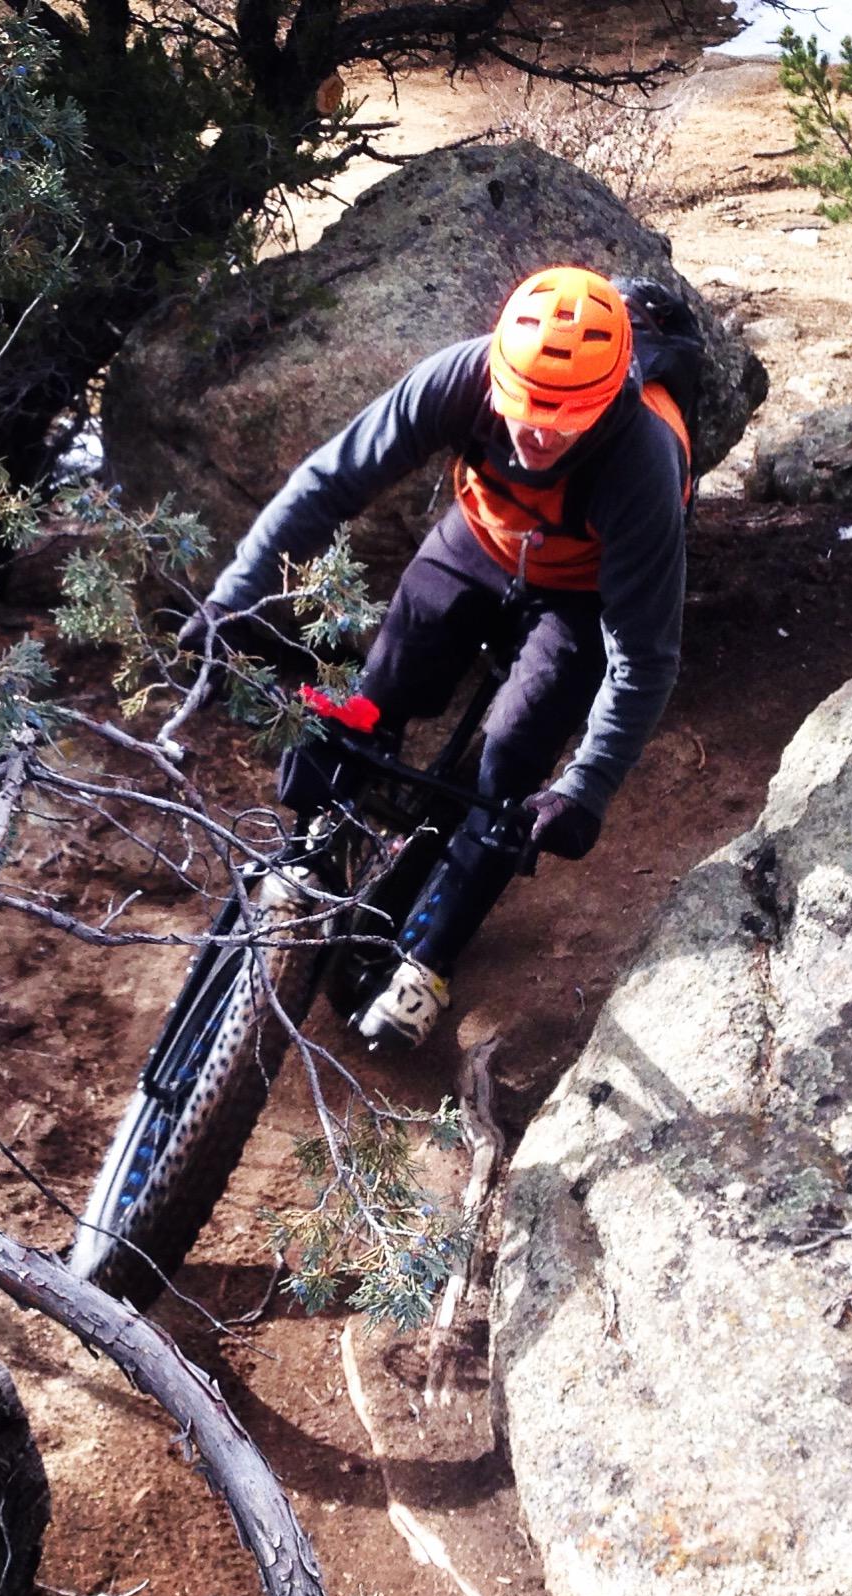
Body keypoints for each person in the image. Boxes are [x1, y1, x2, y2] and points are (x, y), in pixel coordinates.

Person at [187, 265, 691, 1050]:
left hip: (582, 593)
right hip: (480, 538)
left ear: (603, 405)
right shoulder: (461, 376)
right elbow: (330, 481)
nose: (534, 436)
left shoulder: (641, 463)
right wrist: (235, 599)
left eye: (560, 425)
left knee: (509, 772)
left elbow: (644, 654)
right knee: (375, 694)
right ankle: (317, 842)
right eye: (524, 411)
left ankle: (431, 955)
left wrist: (584, 788)